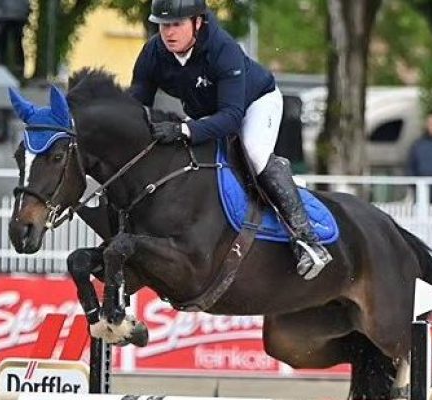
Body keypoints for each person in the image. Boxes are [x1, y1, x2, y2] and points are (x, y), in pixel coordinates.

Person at [128, 0, 332, 279]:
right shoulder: (154, 52)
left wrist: (183, 130)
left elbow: (232, 118)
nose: (168, 33)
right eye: (163, 25)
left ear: (198, 22)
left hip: (254, 104)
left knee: (254, 155)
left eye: (176, 24)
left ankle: (307, 240)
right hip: (208, 113)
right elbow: (136, 103)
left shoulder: (222, 49)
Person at [0, 0, 30, 79]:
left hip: (3, 15)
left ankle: (4, 69)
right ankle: (17, 71)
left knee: (3, 44)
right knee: (15, 44)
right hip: (16, 14)